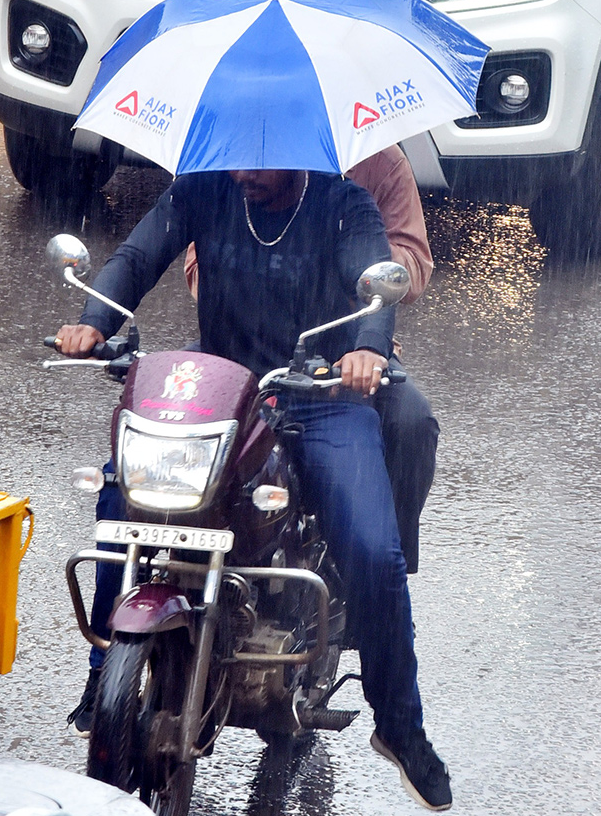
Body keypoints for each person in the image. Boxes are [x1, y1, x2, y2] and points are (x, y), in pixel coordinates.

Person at [55, 167, 452, 811]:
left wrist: (367, 352)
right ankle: (106, 674)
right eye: (237, 156)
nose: (245, 173)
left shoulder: (347, 204)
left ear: (298, 156)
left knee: (375, 553)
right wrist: (94, 319)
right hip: (225, 383)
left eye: (260, 162)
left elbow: (376, 287)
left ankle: (400, 724)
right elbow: (137, 254)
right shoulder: (203, 188)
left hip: (321, 390)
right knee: (120, 485)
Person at [183, 145, 439, 573]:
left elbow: (414, 263)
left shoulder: (381, 163)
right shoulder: (231, 158)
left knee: (410, 419)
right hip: (241, 338)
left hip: (349, 352)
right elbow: (194, 259)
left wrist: (354, 257)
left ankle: (383, 572)